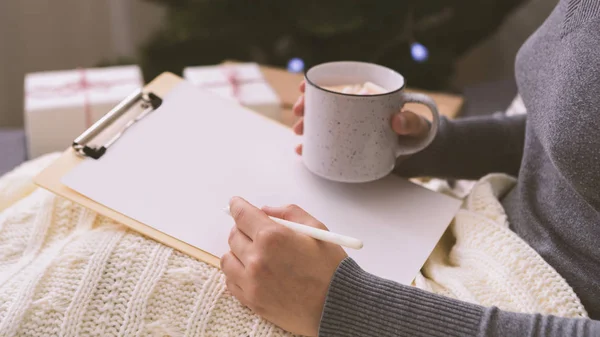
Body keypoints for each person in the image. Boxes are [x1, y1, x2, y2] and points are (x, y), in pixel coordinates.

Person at [220, 1, 600, 336]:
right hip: (475, 231)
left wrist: (351, 309)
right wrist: (424, 148)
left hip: (521, 301)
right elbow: (559, 137)